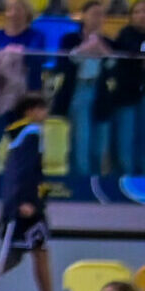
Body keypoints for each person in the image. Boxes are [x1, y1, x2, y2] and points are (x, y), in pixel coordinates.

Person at [0, 93, 56, 291]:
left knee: (12, 257)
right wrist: (26, 201)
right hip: (27, 205)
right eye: (41, 109)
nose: (45, 114)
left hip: (17, 203)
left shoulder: (18, 137)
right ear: (30, 111)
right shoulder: (32, 134)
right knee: (40, 252)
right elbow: (25, 171)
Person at [0, 0, 41, 174]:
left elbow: (35, 59)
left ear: (26, 13)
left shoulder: (36, 37)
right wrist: (9, 56)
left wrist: (7, 57)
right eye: (10, 9)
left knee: (23, 145)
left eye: (18, 9)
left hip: (23, 102)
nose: (13, 13)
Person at [55, 2, 114, 177]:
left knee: (99, 143)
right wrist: (84, 49)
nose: (97, 18)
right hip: (79, 90)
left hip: (101, 92)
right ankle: (80, 180)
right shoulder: (69, 39)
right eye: (93, 14)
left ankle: (96, 180)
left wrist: (103, 50)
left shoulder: (108, 41)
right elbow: (63, 64)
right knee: (81, 139)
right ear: (83, 16)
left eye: (101, 15)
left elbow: (113, 67)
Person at [114, 3, 145, 176]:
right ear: (131, 16)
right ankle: (126, 177)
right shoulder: (125, 34)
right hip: (127, 96)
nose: (142, 15)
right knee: (126, 139)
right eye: (138, 12)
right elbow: (131, 52)